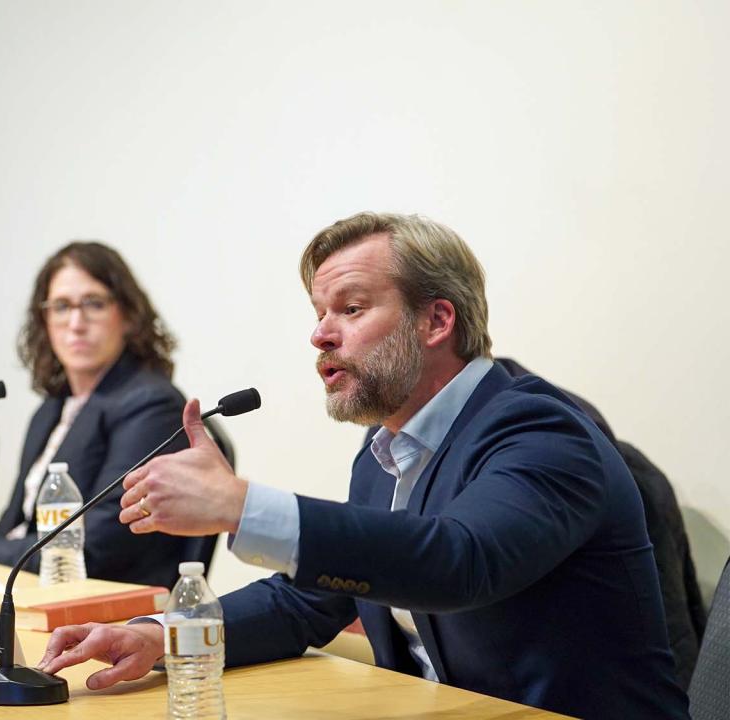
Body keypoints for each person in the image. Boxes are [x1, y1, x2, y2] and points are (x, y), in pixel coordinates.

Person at [36, 213, 689, 718]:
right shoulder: (384, 451)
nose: (320, 334)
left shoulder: (540, 430)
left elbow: (460, 561)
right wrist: (161, 635)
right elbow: (309, 600)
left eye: (349, 309)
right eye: (319, 314)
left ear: (436, 321)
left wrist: (241, 505)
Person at [0, 241, 204, 588]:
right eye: (61, 307)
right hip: (32, 586)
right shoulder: (51, 409)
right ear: (44, 320)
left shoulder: (151, 405)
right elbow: (16, 520)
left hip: (104, 600)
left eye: (94, 304)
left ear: (128, 316)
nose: (75, 323)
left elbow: (99, 544)